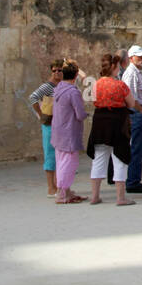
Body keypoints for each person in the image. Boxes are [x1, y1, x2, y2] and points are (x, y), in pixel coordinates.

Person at [86, 54, 139, 205]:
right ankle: (120, 197)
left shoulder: (96, 84)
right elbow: (130, 103)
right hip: (117, 122)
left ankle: (95, 196)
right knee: (120, 158)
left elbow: (93, 100)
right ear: (115, 67)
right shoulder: (120, 85)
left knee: (99, 159)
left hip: (100, 122)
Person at [49, 61, 87, 203]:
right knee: (70, 162)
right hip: (69, 131)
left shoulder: (58, 89)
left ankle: (65, 190)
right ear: (75, 75)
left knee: (61, 161)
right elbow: (80, 113)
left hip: (58, 130)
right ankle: (62, 191)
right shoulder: (73, 92)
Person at [28, 59, 64, 196]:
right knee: (50, 154)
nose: (57, 73)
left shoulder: (62, 85)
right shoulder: (48, 86)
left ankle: (58, 184)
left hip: (60, 124)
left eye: (60, 70)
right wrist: (40, 113)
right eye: (54, 70)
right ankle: (51, 187)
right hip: (49, 123)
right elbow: (33, 97)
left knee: (59, 155)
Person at [121, 45, 142, 193]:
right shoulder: (131, 74)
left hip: (140, 112)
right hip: (137, 114)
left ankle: (135, 179)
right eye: (139, 56)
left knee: (138, 147)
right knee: (136, 147)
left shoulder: (136, 72)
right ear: (131, 57)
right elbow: (131, 97)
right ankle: (132, 181)